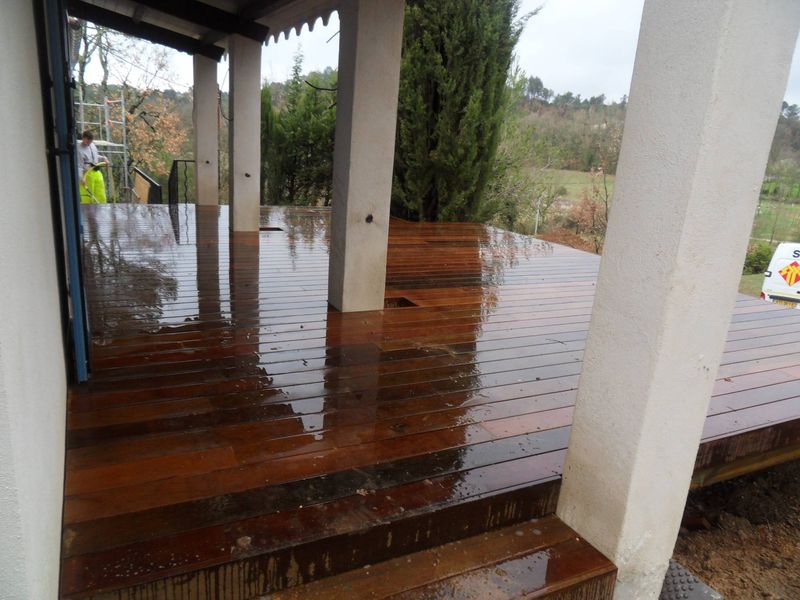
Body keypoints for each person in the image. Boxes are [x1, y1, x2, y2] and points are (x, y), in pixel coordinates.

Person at [78, 130, 108, 204]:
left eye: (91, 141)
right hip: (86, 174)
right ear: (83, 138)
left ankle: (102, 208)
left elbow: (95, 156)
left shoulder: (92, 145)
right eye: (88, 141)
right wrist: (81, 178)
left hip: (96, 171)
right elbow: (79, 165)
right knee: (88, 196)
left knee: (101, 195)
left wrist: (103, 158)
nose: (89, 143)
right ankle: (88, 211)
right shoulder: (79, 149)